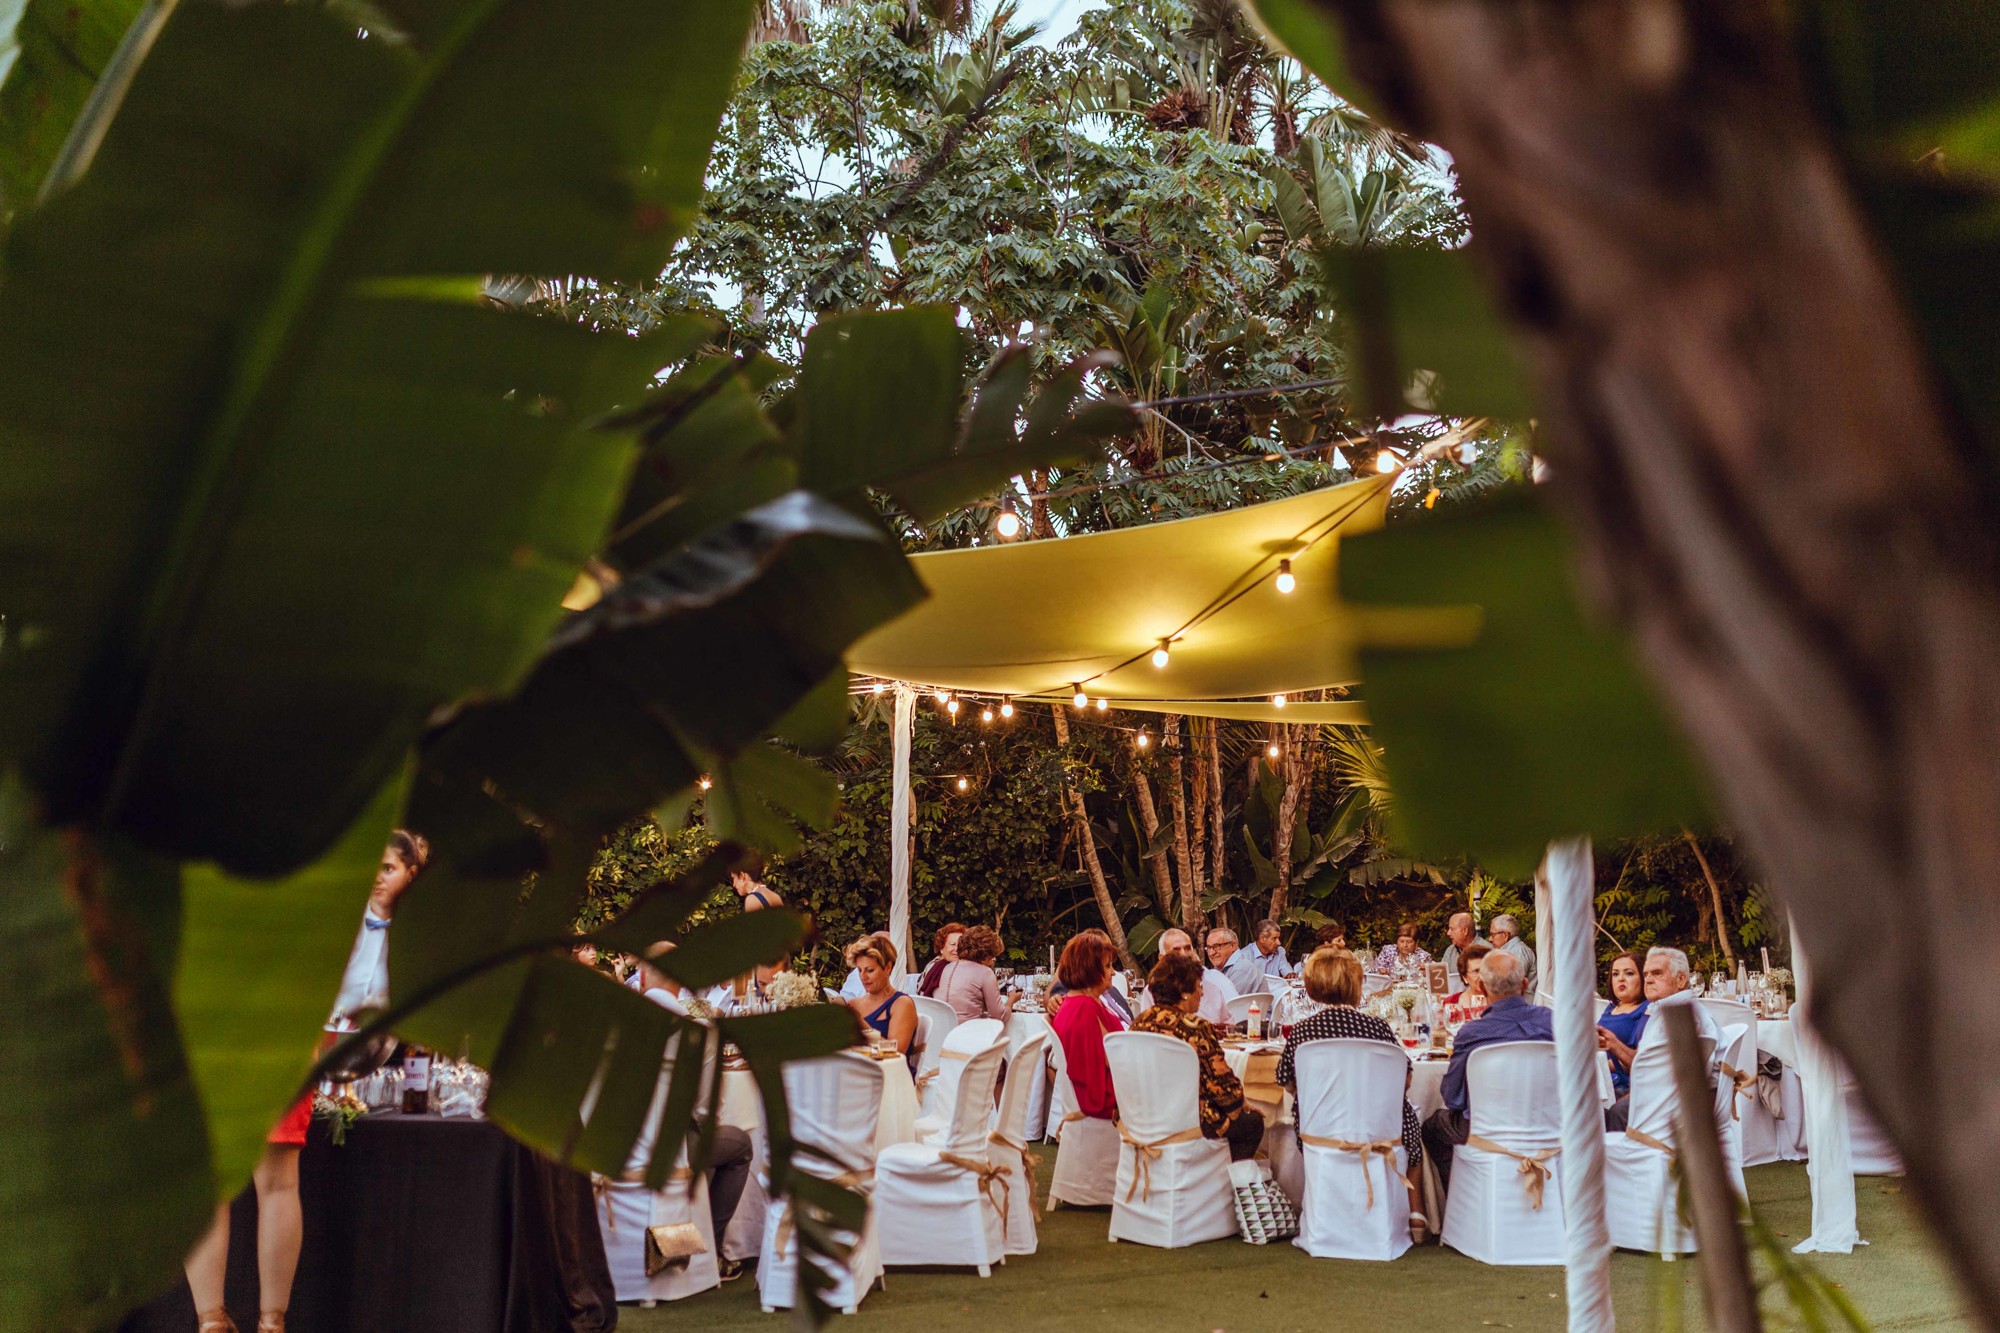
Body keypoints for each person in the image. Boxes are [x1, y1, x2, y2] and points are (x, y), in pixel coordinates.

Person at [188, 831, 427, 1333]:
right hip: (281, 1028)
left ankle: (212, 1319)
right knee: (275, 1184)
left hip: (215, 1024)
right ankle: (270, 1323)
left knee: (214, 1186)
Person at [1274, 948, 1425, 1240]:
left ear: (1313, 988)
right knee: (1407, 1115)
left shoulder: (1303, 1032)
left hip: (1320, 1130)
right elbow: (1404, 1080)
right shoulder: (1377, 1028)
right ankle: (1416, 1211)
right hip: (1378, 1130)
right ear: (1356, 987)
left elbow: (1287, 1081)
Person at [633, 942, 752, 1281]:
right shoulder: (699, 1030)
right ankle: (711, 1251)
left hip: (614, 1151)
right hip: (673, 1150)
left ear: (641, 977)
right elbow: (704, 1109)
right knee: (739, 1145)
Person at [1420, 950, 1552, 1193]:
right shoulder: (1551, 1021)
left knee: (1434, 1126)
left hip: (1487, 1131)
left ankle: (1465, 1197)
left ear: (1480, 988)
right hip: (1547, 1125)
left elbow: (1453, 1098)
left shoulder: (1472, 1034)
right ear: (1524, 984)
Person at [1132, 954, 1264, 1160]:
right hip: (1188, 1122)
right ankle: (1221, 1179)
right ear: (1184, 993)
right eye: (1199, 986)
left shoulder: (1139, 1023)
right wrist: (1240, 1104)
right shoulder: (1196, 1027)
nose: (1202, 993)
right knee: (1252, 1123)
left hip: (1143, 1116)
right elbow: (1221, 1085)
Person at [1603, 946, 1721, 1130]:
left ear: (1681, 979)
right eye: (1646, 974)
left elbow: (1670, 1075)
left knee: (1611, 1110)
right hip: (1666, 1094)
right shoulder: (1663, 1010)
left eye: (1657, 973)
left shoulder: (1684, 1015)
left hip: (1677, 1104)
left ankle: (1619, 1157)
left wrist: (1614, 1044)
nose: (1648, 979)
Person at [329, 829, 428, 1026]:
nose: (377, 878)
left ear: (411, 874)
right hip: (333, 1038)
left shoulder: (419, 934)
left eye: (387, 869)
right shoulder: (343, 922)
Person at [1050, 931, 1127, 1123]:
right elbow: (1111, 1059)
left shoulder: (1078, 1002)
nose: (1113, 972)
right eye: (1108, 966)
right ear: (1090, 969)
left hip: (1101, 1093)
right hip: (1105, 1101)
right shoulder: (1085, 1007)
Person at [844, 934, 920, 1074]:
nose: (863, 977)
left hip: (890, 1080)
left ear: (888, 968)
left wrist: (861, 1023)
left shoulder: (902, 1004)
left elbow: (895, 1054)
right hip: (858, 1074)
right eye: (860, 970)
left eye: (870, 970)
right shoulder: (854, 1004)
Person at [1140, 928, 1237, 1026]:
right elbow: (1147, 1032)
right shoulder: (1152, 991)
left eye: (1187, 948)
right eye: (1176, 950)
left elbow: (1229, 1025)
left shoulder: (1214, 984)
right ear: (1162, 958)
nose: (1184, 954)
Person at [1595, 950, 1650, 1095]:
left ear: (1643, 978)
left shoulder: (1647, 1009)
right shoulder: (1612, 1007)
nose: (1621, 979)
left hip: (1619, 1084)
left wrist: (1600, 1067)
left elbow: (1642, 1061)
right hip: (1596, 1077)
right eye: (1615, 974)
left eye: (1629, 973)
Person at [934, 924, 1008, 1023]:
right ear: (986, 955)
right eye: (993, 956)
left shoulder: (947, 967)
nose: (993, 961)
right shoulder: (985, 973)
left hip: (940, 1030)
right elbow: (999, 1016)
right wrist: (1011, 1000)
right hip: (967, 1032)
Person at [1223, 918, 1291, 994]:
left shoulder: (1280, 951)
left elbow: (1288, 973)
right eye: (1274, 939)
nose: (1279, 943)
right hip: (1255, 999)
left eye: (1278, 938)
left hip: (1276, 996)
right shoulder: (1244, 956)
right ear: (1262, 938)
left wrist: (1290, 975)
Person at [1371, 920, 1433, 984]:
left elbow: (1433, 979)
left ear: (1416, 942)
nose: (1405, 945)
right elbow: (1375, 969)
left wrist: (1426, 973)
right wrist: (1381, 971)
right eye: (1401, 941)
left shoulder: (1424, 957)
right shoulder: (1388, 951)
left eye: (1409, 942)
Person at [1488, 913, 1538, 993]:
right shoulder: (1512, 951)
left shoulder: (1518, 951)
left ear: (1505, 935)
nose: (1490, 939)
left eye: (1493, 935)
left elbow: (1512, 985)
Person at [917, 922, 967, 997]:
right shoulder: (934, 966)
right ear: (941, 947)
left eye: (960, 945)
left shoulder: (965, 966)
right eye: (952, 944)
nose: (957, 949)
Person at [1443, 941, 1493, 1014]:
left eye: (1486, 969)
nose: (1482, 975)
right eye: (1476, 971)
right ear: (1464, 977)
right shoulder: (1451, 1002)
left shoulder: (1502, 1002)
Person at [1439, 911, 1488, 984]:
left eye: (1452, 929)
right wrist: (1429, 971)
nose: (1448, 933)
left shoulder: (1486, 951)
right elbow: (1441, 978)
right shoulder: (1450, 950)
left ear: (1465, 931)